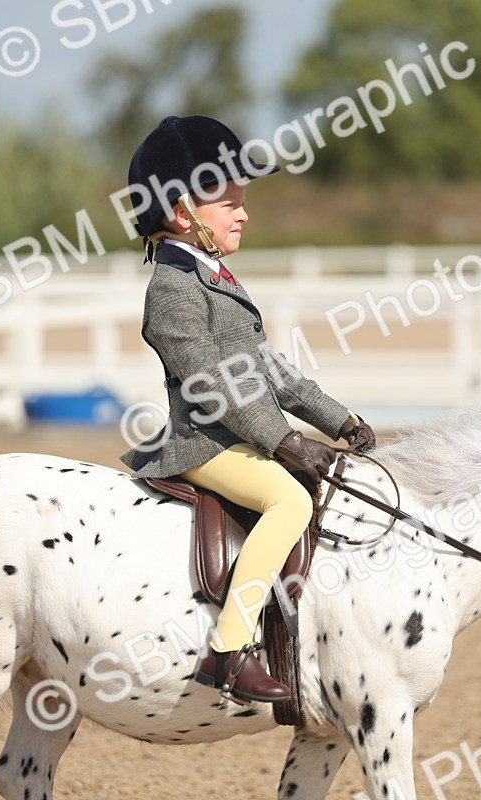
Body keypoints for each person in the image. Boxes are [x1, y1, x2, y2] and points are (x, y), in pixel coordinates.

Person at [119, 116, 375, 704]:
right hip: (204, 444)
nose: (243, 210)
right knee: (289, 499)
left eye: (243, 198)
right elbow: (213, 384)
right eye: (228, 200)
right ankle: (229, 653)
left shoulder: (216, 278)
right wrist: (284, 442)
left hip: (242, 438)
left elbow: (271, 370)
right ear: (182, 213)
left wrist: (339, 421)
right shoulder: (172, 289)